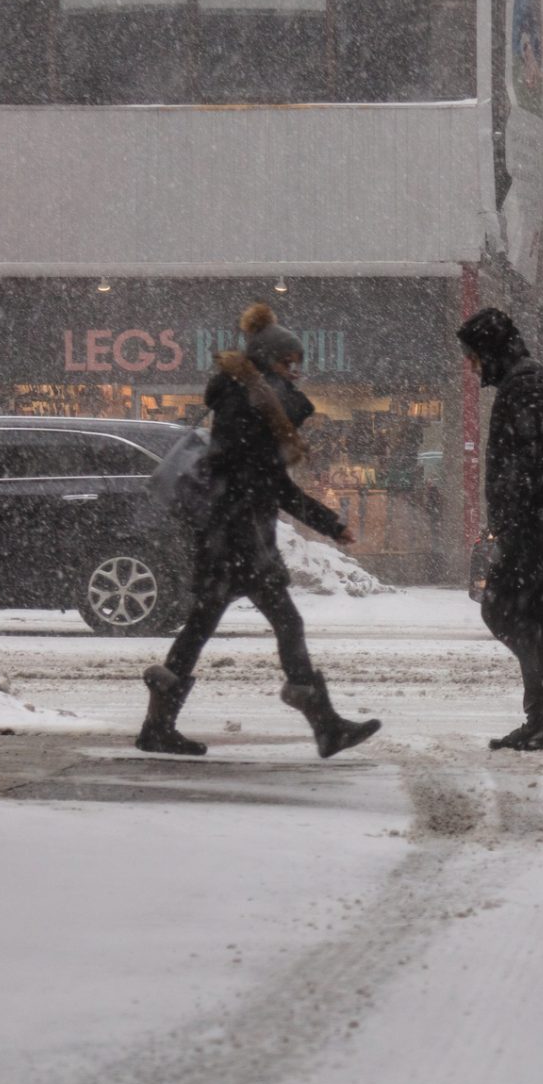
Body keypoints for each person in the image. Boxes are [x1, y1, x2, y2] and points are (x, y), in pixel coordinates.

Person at [136, 302, 379, 759]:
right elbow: (271, 484)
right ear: (268, 363)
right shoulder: (251, 407)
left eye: (298, 363)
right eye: (290, 363)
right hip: (240, 536)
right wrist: (329, 522)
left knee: (205, 623)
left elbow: (263, 480)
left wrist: (325, 522)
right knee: (282, 621)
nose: (297, 372)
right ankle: (324, 725)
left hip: (227, 534)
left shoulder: (242, 403)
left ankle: (159, 724)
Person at [458, 306, 543, 751]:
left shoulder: (527, 386)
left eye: (474, 356)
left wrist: (514, 524)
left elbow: (530, 466)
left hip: (537, 528)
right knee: (524, 617)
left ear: (491, 348)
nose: (473, 366)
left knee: (502, 610)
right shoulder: (527, 382)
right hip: (539, 524)